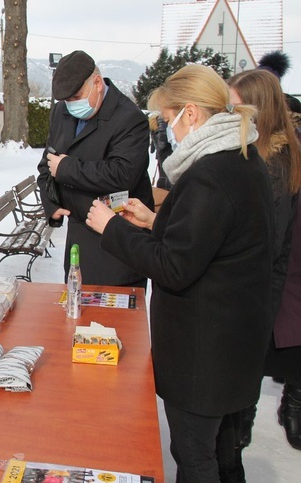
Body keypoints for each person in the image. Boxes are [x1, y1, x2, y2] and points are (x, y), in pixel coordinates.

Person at [86, 64, 273, 482]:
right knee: (224, 456)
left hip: (204, 354)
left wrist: (111, 228)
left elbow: (175, 266)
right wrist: (157, 221)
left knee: (195, 457)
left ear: (191, 113)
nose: (168, 130)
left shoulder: (210, 173)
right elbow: (218, 239)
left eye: (168, 120)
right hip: (234, 344)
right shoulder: (242, 157)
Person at [226, 69, 301, 462]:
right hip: (262, 286)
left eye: (234, 107)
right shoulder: (264, 152)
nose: (228, 113)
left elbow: (265, 241)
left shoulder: (273, 162)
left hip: (260, 290)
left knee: (247, 370)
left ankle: (240, 433)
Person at [37, 50, 153, 288]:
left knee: (114, 320)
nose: (72, 105)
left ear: (97, 83)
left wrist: (67, 167)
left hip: (117, 239)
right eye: (66, 100)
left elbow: (122, 175)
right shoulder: (62, 112)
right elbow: (47, 165)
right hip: (79, 236)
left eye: (77, 97)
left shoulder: (129, 118)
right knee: (78, 313)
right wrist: (52, 203)